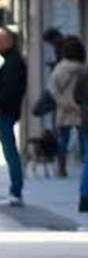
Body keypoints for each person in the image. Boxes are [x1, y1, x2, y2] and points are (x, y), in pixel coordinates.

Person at [0, 27, 27, 207]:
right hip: (3, 112)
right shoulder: (9, 61)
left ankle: (16, 191)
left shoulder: (13, 63)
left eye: (0, 40)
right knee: (9, 151)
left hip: (4, 113)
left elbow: (12, 89)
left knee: (10, 152)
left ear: (10, 41)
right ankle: (15, 190)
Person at [47, 36, 85, 178]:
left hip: (64, 108)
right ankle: (84, 165)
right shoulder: (83, 68)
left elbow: (52, 88)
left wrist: (62, 102)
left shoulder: (60, 68)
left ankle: (62, 167)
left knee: (63, 138)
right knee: (83, 138)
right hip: (80, 108)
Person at [72, 61, 88, 212]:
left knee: (87, 160)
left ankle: (84, 198)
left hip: (86, 121)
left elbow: (76, 97)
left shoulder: (84, 73)